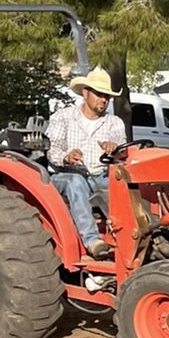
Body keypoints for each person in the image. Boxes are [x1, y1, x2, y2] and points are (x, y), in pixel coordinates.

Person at [45, 67, 127, 258]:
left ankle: (129, 237)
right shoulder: (63, 117)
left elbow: (122, 150)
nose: (104, 100)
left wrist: (114, 148)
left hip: (100, 175)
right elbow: (52, 149)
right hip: (65, 175)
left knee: (126, 185)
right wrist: (66, 156)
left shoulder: (114, 122)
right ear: (85, 93)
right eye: (99, 94)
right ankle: (92, 241)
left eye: (107, 96)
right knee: (76, 182)